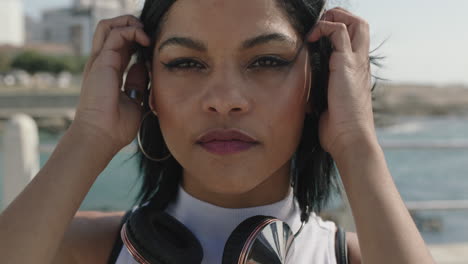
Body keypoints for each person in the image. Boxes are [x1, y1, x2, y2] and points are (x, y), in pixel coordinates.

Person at [0, 0, 435, 263]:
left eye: (266, 61)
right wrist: (88, 135)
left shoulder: (355, 259)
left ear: (316, 85)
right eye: (186, 63)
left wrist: (356, 143)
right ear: (149, 88)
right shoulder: (82, 250)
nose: (224, 99)